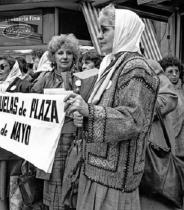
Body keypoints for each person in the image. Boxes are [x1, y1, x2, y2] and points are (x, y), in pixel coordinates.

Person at [64, 5, 159, 210]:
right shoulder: (112, 64)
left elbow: (132, 121)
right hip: (97, 170)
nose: (98, 36)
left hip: (113, 180)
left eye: (104, 29)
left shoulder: (136, 68)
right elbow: (106, 109)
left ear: (123, 30)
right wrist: (83, 115)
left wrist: (88, 111)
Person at [30, 34, 80, 210]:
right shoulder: (44, 79)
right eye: (60, 53)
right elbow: (31, 106)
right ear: (53, 56)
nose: (64, 56)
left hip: (75, 140)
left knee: (73, 183)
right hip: (51, 142)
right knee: (53, 183)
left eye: (68, 53)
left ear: (74, 56)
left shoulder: (82, 79)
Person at [139, 59, 178, 210]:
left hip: (152, 147)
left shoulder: (149, 65)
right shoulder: (107, 66)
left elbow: (169, 98)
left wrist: (136, 109)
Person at [0, 56, 23, 210]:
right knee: (0, 183)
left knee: (14, 185)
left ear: (12, 68)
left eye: (3, 66)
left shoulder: (22, 85)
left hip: (12, 147)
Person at [159, 56, 184, 157]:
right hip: (166, 140)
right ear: (163, 73)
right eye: (170, 71)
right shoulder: (160, 91)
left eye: (176, 71)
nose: (174, 74)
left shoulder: (182, 89)